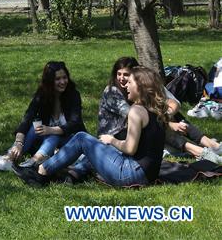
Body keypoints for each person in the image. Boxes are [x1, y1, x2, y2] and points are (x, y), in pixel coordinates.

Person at [16, 66, 169, 187]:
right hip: (147, 175)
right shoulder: (155, 110)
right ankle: (73, 174)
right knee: (98, 146)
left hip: (131, 174)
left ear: (141, 86)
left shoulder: (136, 110)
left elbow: (130, 149)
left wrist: (111, 140)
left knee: (82, 138)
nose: (126, 85)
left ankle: (41, 172)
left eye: (130, 82)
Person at [99, 57, 221, 165]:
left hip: (141, 128)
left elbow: (174, 103)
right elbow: (135, 117)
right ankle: (198, 151)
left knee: (174, 116)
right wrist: (168, 123)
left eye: (126, 75)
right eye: (118, 74)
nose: (121, 78)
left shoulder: (143, 85)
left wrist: (168, 116)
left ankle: (211, 145)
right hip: (119, 132)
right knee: (159, 123)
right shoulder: (112, 92)